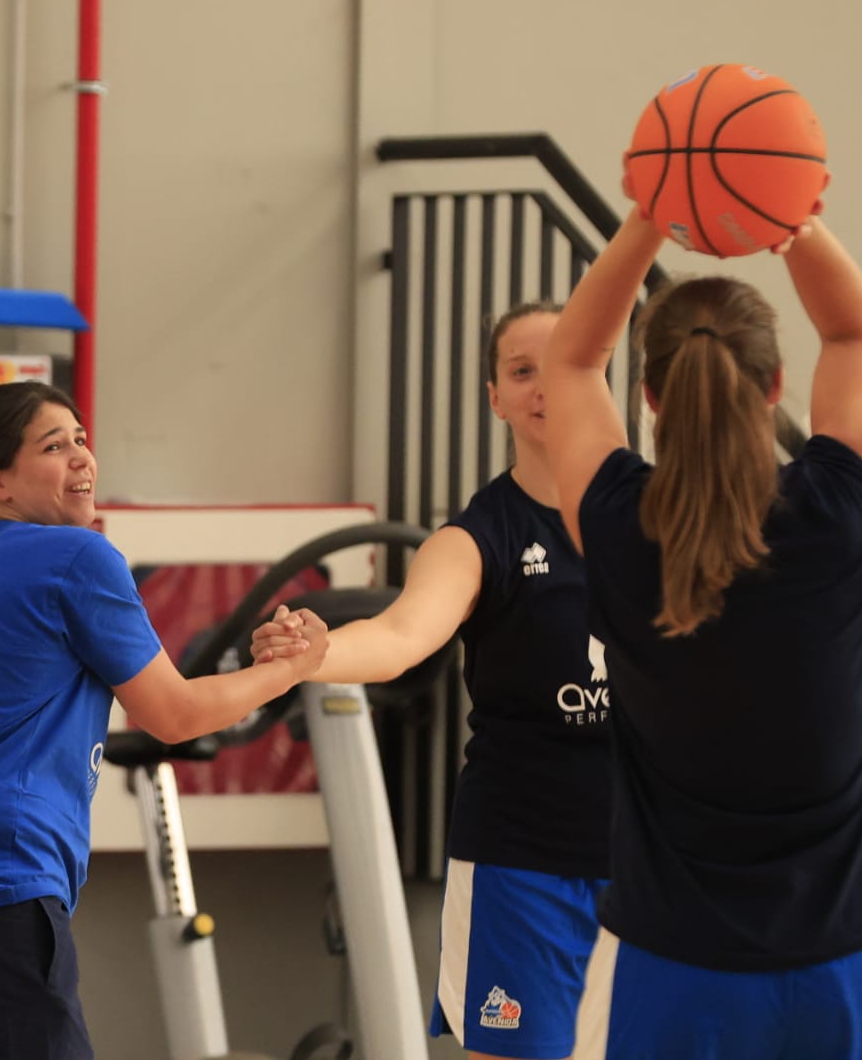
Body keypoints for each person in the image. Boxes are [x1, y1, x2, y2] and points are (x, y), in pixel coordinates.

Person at [0, 380, 331, 1060]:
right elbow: (175, 712)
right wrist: (293, 668)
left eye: (81, 440)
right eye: (53, 445)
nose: (81, 458)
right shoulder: (76, 557)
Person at [542, 173, 862, 1058]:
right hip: (842, 966)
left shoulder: (616, 526)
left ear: (649, 397)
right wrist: (791, 218)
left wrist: (654, 214)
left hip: (673, 965)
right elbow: (856, 329)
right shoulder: (841, 517)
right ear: (775, 388)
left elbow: (569, 362)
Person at [252, 304, 613, 1060]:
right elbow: (399, 635)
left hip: (656, 859)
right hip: (525, 863)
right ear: (496, 397)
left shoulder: (661, 514)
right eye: (522, 372)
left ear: (597, 370)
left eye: (560, 365)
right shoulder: (480, 535)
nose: (544, 387)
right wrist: (314, 654)